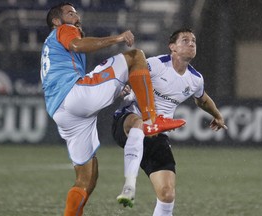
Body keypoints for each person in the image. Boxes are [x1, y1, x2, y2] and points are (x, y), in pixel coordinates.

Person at [40, 3, 185, 216]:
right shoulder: (64, 30)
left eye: (76, 12)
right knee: (135, 56)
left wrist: (116, 86)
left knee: (86, 178)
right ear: (56, 20)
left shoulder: (50, 45)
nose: (76, 16)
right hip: (74, 94)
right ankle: (151, 119)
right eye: (70, 13)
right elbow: (78, 45)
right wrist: (116, 38)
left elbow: (77, 67)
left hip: (61, 111)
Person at [112, 28, 228, 215]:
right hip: (128, 120)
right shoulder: (156, 64)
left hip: (157, 134)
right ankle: (129, 186)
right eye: (185, 40)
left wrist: (218, 115)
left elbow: (202, 99)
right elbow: (129, 73)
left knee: (167, 194)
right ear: (172, 47)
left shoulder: (195, 79)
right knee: (140, 124)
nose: (191, 43)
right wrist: (122, 86)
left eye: (194, 41)